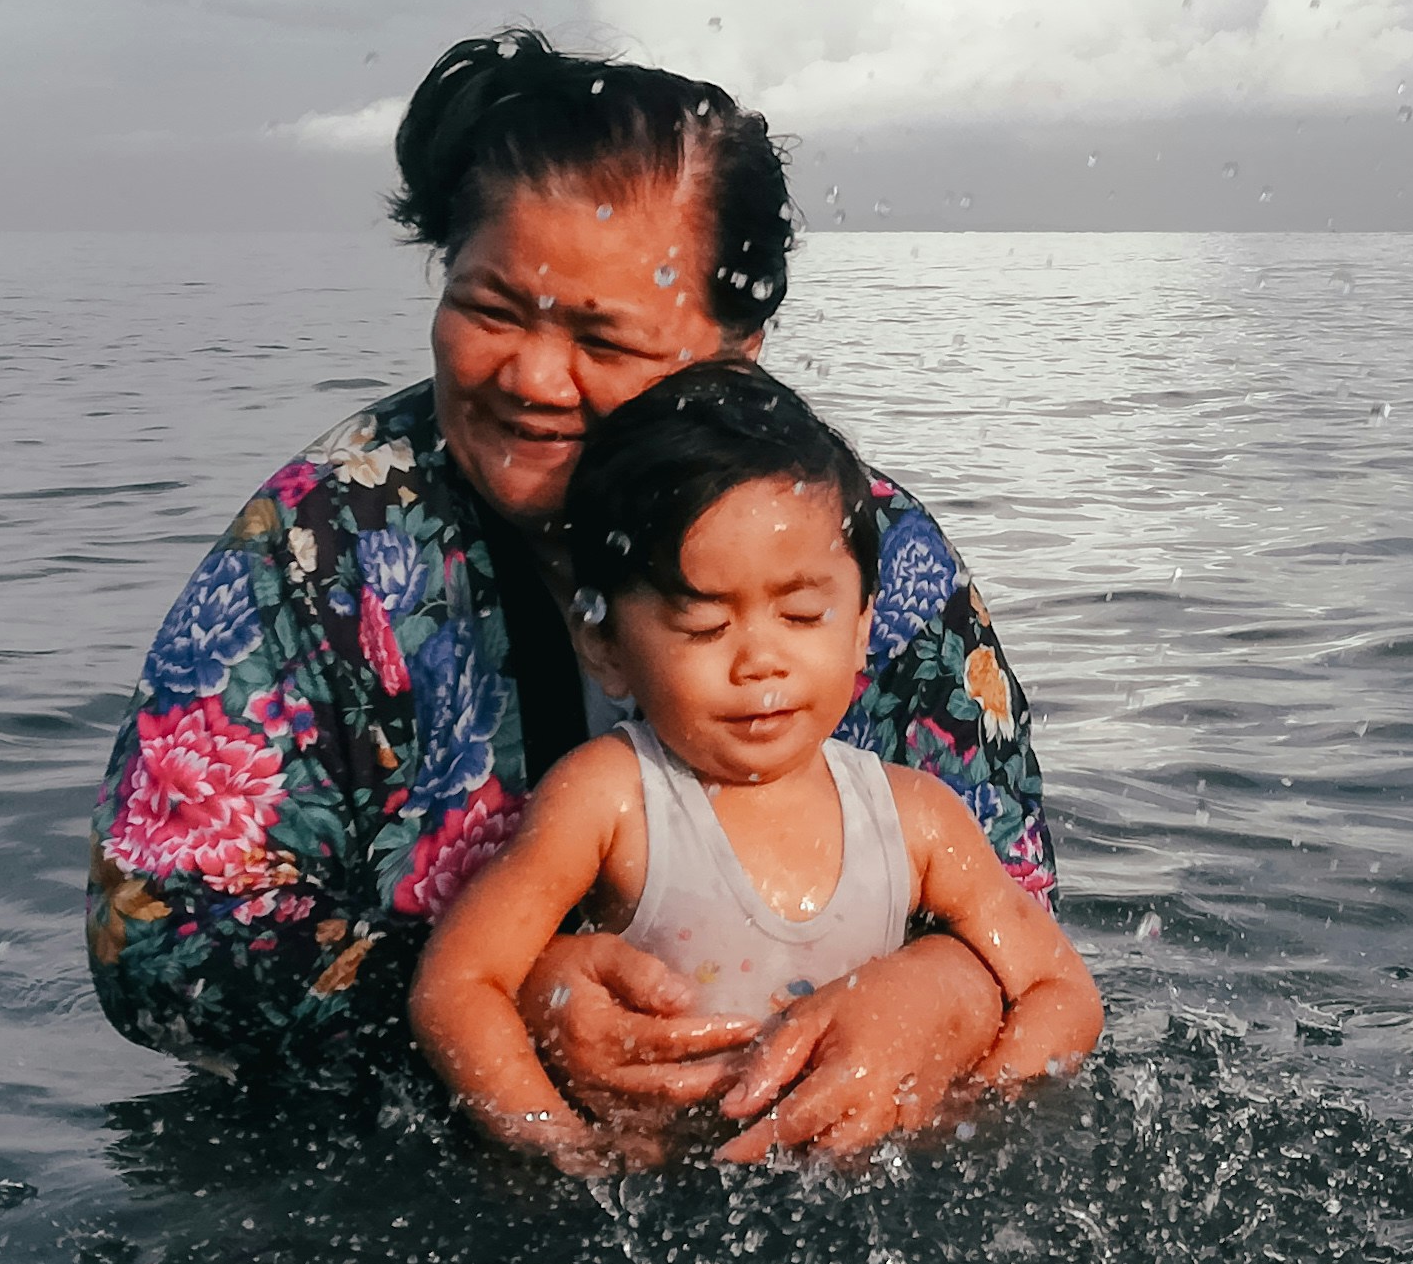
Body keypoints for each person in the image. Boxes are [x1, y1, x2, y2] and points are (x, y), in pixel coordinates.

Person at [89, 29, 1053, 1161]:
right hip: (401, 1167)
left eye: (603, 337)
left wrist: (942, 996)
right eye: (491, 310)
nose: (534, 380)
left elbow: (1011, 897)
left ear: (740, 349)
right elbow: (156, 944)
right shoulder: (325, 545)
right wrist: (495, 1002)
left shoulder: (859, 546)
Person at [411, 363, 1099, 1169]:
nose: (760, 661)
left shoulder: (913, 818)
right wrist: (561, 1147)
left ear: (859, 627)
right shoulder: (611, 799)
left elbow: (1064, 995)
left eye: (803, 615)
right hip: (653, 1181)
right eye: (704, 626)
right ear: (602, 642)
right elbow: (457, 984)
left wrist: (964, 1111)